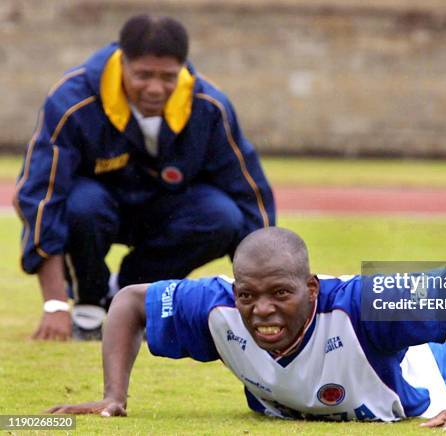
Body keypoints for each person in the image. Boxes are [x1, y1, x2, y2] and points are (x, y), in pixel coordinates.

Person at [46, 227, 446, 429]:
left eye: (280, 293)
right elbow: (129, 302)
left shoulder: (364, 302)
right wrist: (112, 397)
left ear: (311, 288)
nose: (261, 309)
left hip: (420, 379)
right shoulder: (213, 307)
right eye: (248, 294)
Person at [13, 15, 275, 341]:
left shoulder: (209, 106)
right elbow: (40, 196)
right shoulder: (72, 101)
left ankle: (134, 295)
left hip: (165, 213)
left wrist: (266, 294)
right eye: (143, 75)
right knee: (83, 204)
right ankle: (89, 304)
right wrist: (54, 304)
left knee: (223, 215)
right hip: (95, 214)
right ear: (121, 62)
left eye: (168, 77)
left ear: (182, 68)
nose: (155, 88)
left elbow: (249, 194)